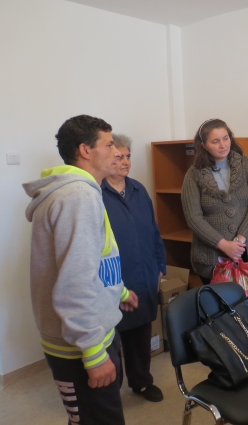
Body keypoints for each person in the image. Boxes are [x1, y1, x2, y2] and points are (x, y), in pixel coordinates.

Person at [23, 115, 138, 425]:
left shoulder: (84, 191)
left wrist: (119, 292)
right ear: (86, 151)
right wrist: (94, 354)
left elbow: (93, 260)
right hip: (79, 344)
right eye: (109, 145)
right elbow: (73, 283)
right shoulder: (78, 197)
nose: (117, 152)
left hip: (93, 332)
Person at [181, 119, 248, 316]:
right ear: (203, 145)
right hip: (213, 256)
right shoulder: (193, 175)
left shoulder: (247, 165)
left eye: (226, 138)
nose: (222, 145)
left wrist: (240, 239)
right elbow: (193, 217)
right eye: (215, 141)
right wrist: (223, 244)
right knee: (221, 313)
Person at [101, 134, 166, 403]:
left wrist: (160, 264)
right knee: (111, 340)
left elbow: (153, 231)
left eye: (128, 156)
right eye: (119, 157)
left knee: (140, 333)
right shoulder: (95, 193)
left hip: (143, 274)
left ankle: (141, 382)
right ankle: (110, 393)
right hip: (113, 280)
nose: (125, 162)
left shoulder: (139, 190)